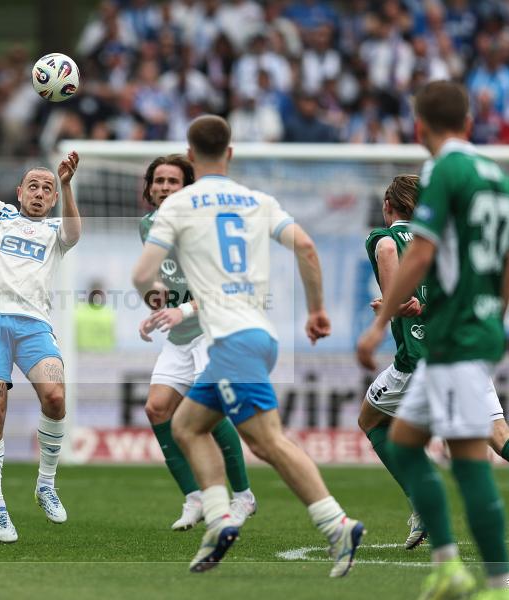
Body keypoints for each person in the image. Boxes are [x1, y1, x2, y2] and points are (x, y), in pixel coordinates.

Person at [356, 80, 509, 600]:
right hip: (477, 330)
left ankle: (496, 582)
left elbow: (422, 253)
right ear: (471, 124)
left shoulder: (443, 173)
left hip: (450, 340)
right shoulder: (496, 177)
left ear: (420, 128)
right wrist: (493, 318)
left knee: (469, 452)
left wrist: (379, 321)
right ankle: (454, 560)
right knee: (415, 440)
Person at [133, 115, 364, 577]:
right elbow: (307, 247)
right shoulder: (258, 200)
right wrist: (317, 310)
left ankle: (336, 523)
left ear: (192, 157)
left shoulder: (178, 207)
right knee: (186, 426)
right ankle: (219, 519)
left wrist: (153, 296)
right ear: (231, 153)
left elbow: (142, 274)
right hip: (257, 336)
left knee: (268, 443)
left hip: (229, 342)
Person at [0, 143, 81, 544]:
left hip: (34, 326)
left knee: (56, 397)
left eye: (47, 189)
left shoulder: (56, 230)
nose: (40, 193)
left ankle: (46, 484)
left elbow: (75, 233)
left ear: (53, 198)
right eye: (33, 187)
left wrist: (68, 184)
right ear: (20, 193)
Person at [137, 154, 257, 531]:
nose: (164, 187)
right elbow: (164, 282)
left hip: (212, 329)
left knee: (205, 412)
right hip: (180, 334)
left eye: (173, 181)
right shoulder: (148, 226)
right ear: (150, 187)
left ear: (187, 187)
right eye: (159, 181)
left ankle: (243, 497)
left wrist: (182, 312)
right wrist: (156, 306)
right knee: (157, 409)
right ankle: (195, 497)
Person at [357, 174, 429, 550]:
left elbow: (386, 249)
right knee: (498, 438)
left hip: (414, 360)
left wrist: (392, 300)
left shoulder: (383, 237)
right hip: (457, 354)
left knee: (369, 420)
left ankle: (421, 500)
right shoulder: (439, 241)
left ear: (389, 206)